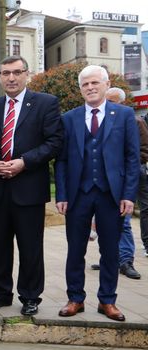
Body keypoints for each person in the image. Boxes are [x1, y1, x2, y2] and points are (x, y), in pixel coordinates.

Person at [55, 65, 139, 322]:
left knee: (110, 250)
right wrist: (61, 195)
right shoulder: (69, 118)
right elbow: (61, 161)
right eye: (85, 85)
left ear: (106, 84)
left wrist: (128, 195)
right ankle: (75, 298)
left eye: (94, 83)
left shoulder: (124, 115)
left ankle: (107, 300)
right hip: (79, 194)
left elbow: (131, 158)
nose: (90, 88)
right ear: (80, 89)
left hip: (110, 194)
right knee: (75, 249)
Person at [0, 56, 63, 316]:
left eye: (17, 72)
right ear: (0, 76)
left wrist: (24, 162)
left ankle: (30, 296)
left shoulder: (45, 103)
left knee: (30, 247)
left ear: (27, 74)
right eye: (5, 73)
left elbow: (54, 142)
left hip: (28, 188)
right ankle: (0, 294)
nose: (11, 78)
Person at [90, 87, 147, 280]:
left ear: (122, 102)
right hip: (105, 179)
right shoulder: (101, 120)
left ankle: (125, 261)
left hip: (126, 178)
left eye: (113, 101)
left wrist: (126, 166)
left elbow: (143, 150)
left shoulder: (134, 120)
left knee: (124, 222)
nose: (109, 104)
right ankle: (109, 258)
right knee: (103, 221)